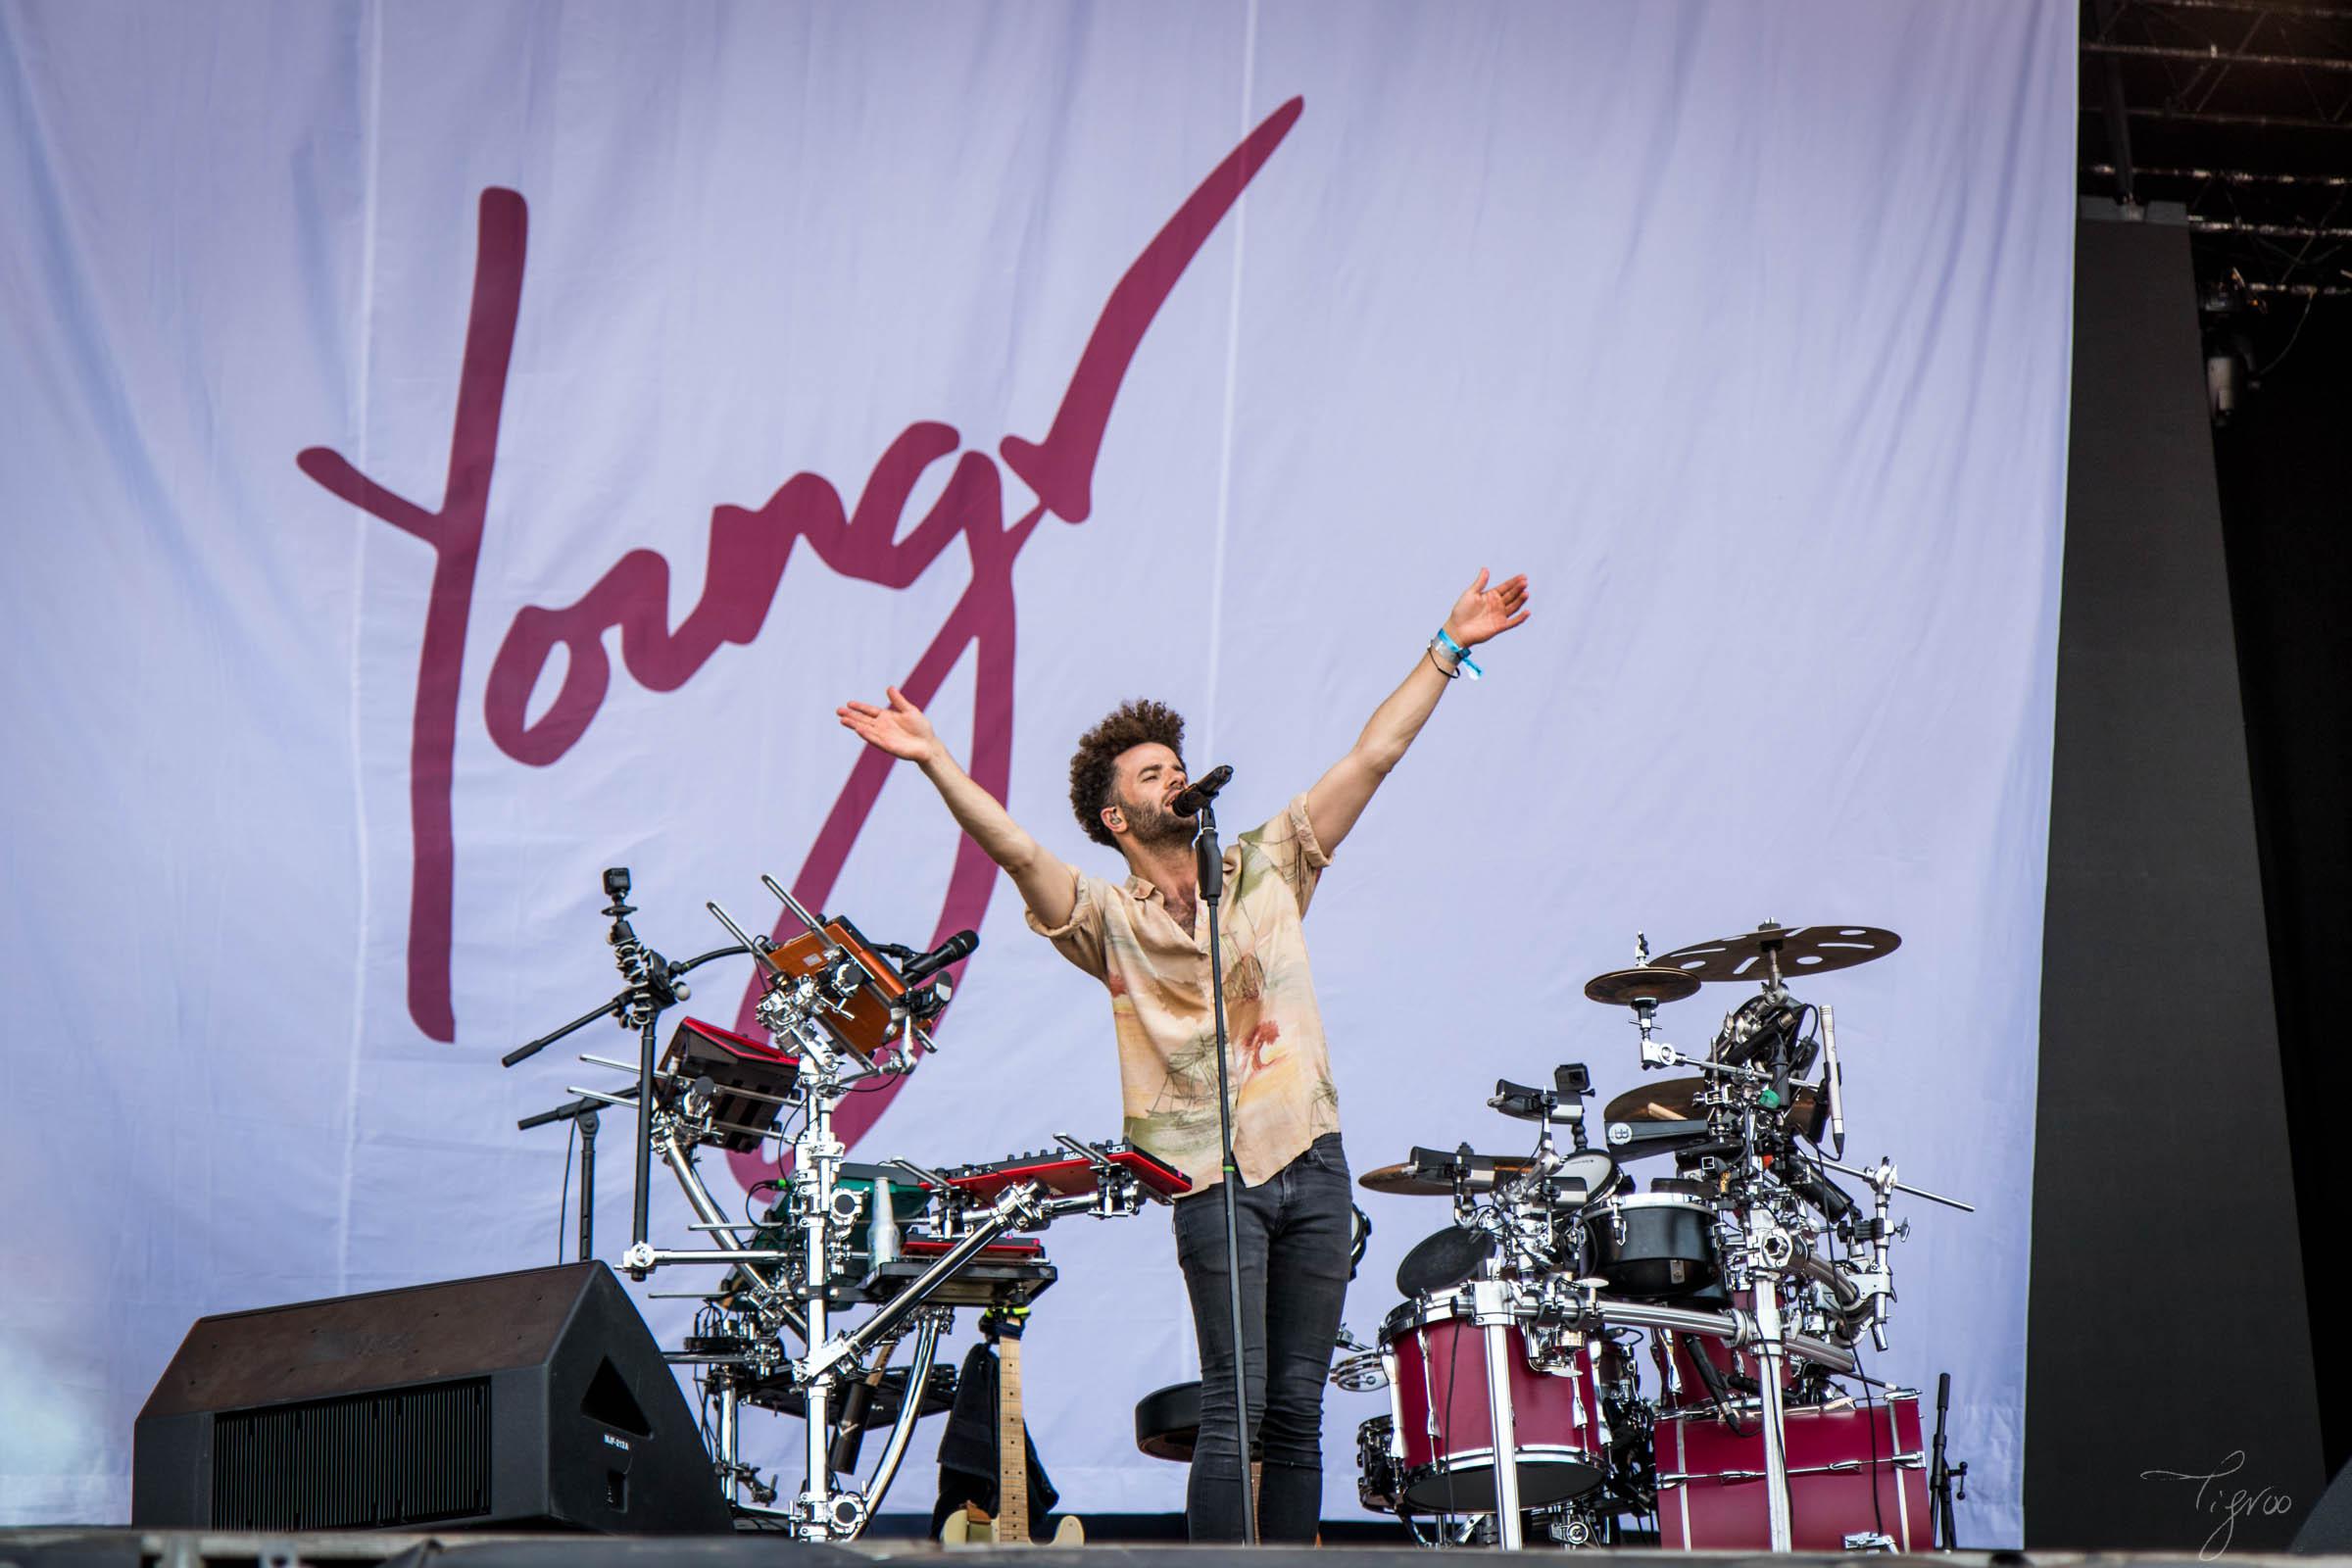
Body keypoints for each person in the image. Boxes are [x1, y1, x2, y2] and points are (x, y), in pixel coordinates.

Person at [836, 567, 1532, 1540]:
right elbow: (1016, 850)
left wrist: (1448, 647)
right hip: (1208, 1174)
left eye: (1177, 763)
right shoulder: (1105, 919)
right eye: (1150, 772)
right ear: (1117, 817)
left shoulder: (1266, 866)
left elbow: (1373, 756)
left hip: (1312, 1158)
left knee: (1295, 1411)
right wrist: (933, 760)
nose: (1174, 775)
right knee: (1233, 1400)